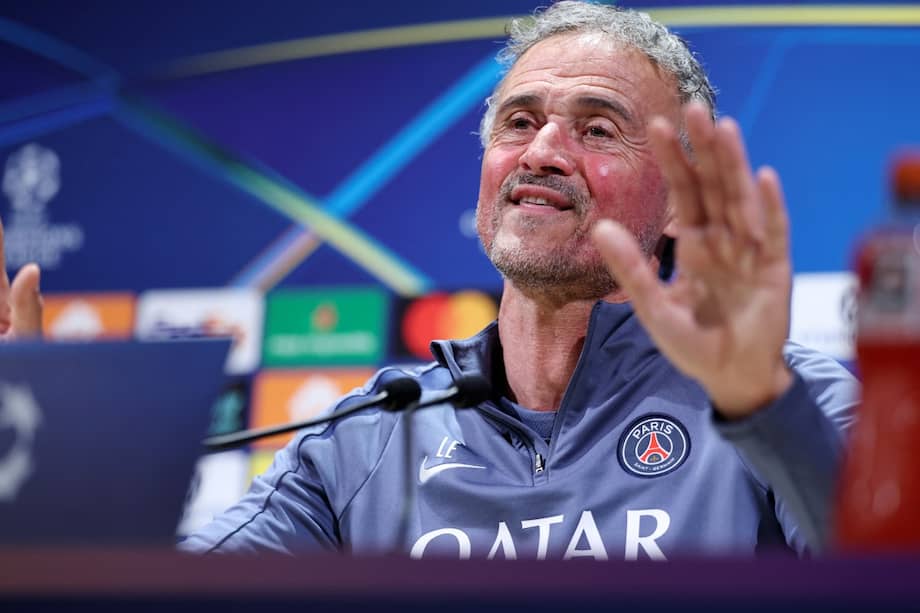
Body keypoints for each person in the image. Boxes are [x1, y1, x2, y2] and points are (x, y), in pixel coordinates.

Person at [3, 2, 856, 559]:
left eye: (598, 127)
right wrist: (41, 456)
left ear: (682, 196)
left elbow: (888, 565)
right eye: (519, 122)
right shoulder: (367, 436)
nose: (543, 151)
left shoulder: (787, 398)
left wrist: (764, 410)